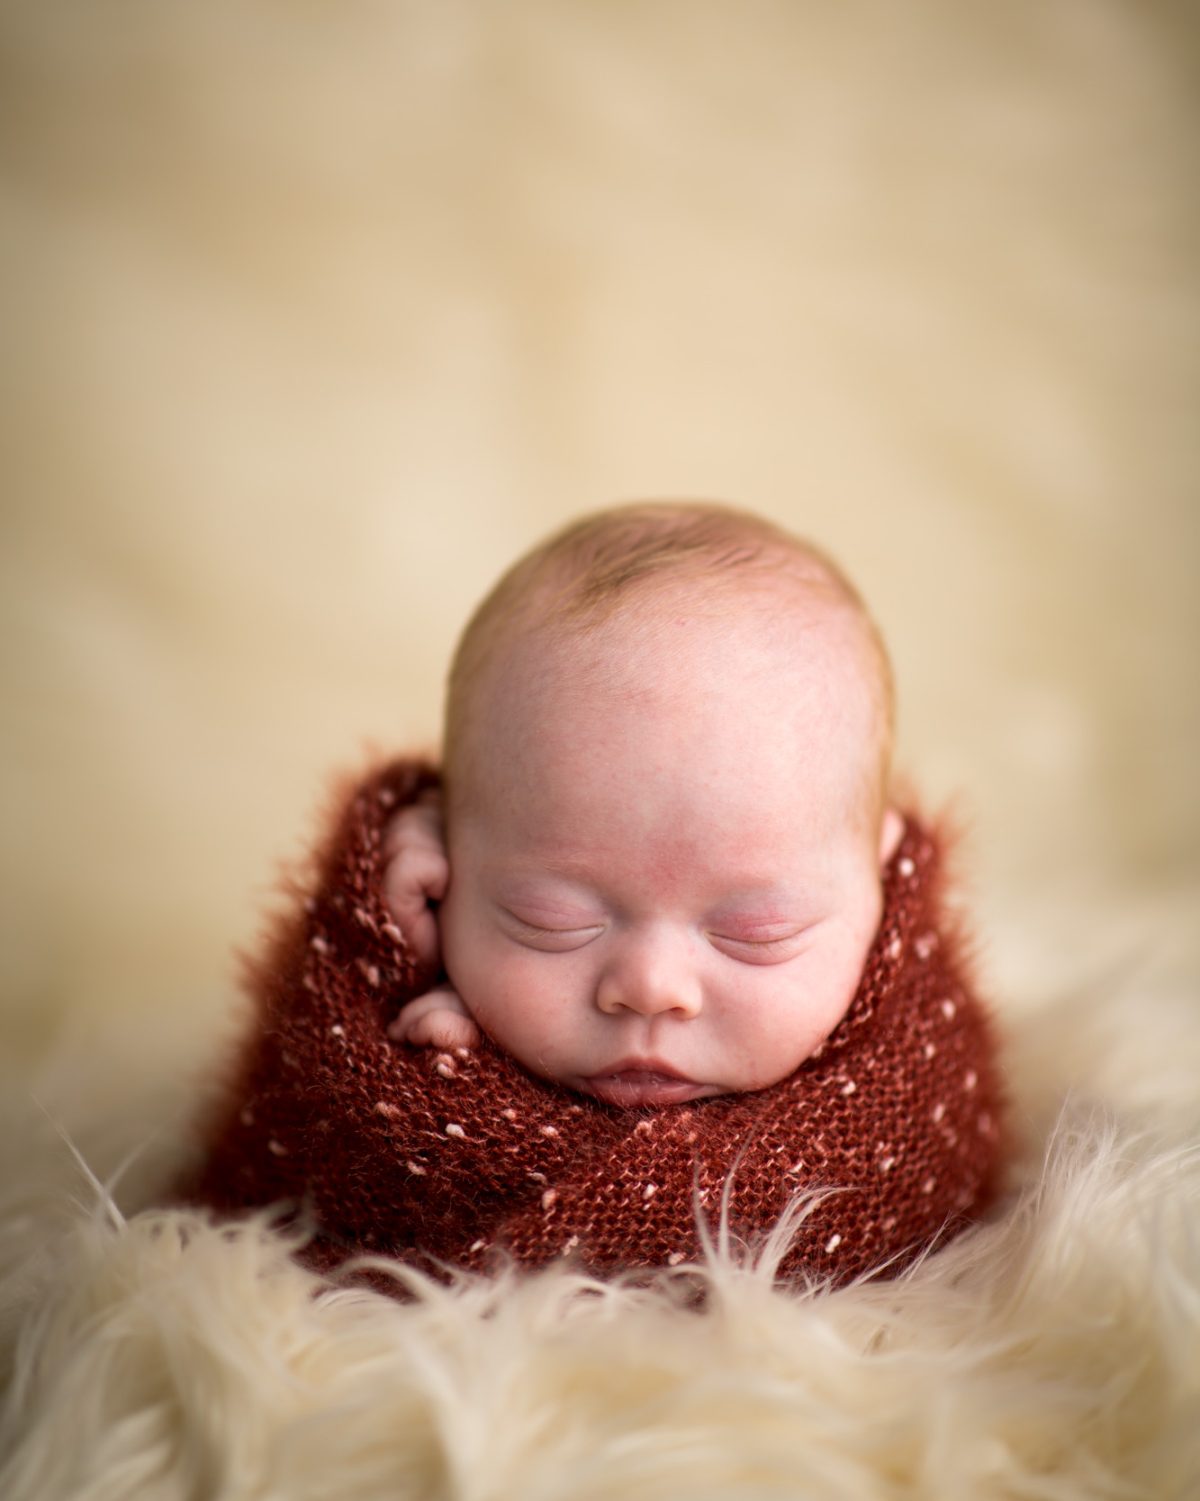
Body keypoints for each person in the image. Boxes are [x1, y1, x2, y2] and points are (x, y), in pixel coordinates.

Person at [186, 502, 1004, 1285]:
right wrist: (394, 964)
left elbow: (943, 1171)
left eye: (754, 931)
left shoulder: (899, 1079)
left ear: (879, 875)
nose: (650, 987)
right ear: (447, 865)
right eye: (554, 920)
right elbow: (297, 1146)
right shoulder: (416, 976)